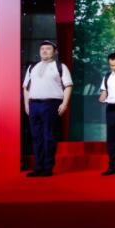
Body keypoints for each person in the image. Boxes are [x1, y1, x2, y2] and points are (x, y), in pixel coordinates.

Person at [22, 40, 73, 177]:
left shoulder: (60, 66)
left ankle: (48, 168)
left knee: (49, 136)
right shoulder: (32, 67)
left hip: (51, 104)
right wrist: (26, 104)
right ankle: (38, 167)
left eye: (48, 48)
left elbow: (68, 86)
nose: (44, 51)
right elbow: (26, 88)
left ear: (55, 52)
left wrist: (64, 103)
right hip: (34, 104)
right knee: (36, 136)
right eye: (42, 49)